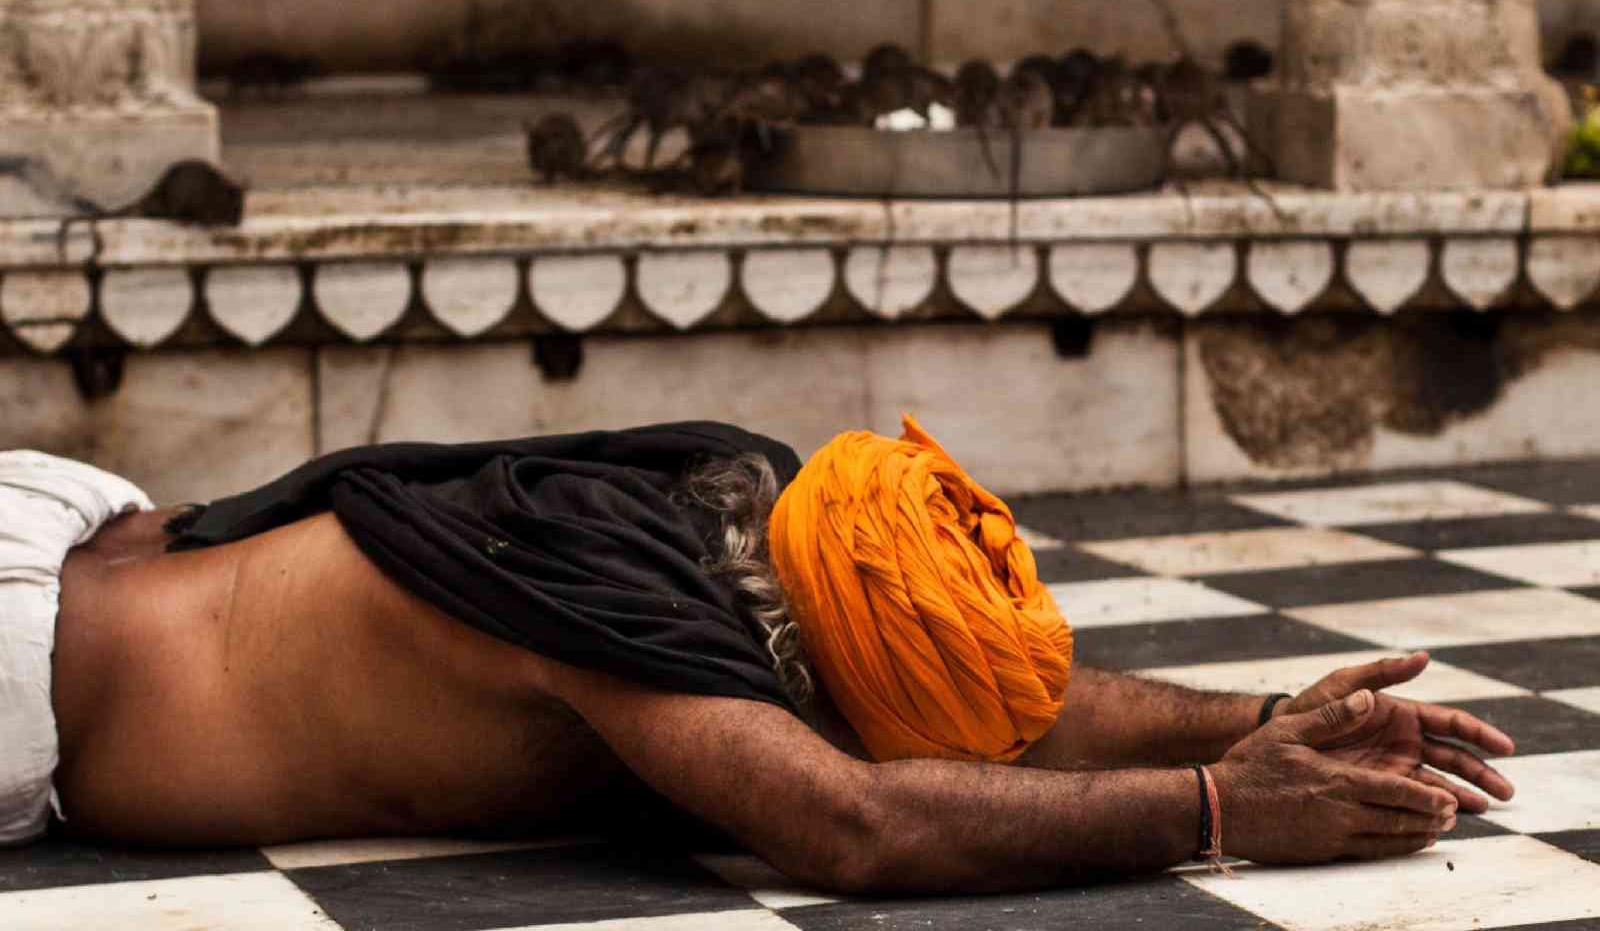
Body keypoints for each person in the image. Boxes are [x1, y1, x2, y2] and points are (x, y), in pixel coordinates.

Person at [0, 418, 1514, 894]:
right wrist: (1218, 809)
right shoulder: (617, 618)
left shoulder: (747, 509)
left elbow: (972, 704)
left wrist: (1265, 713)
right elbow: (851, 820)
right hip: (26, 661)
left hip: (86, 518)